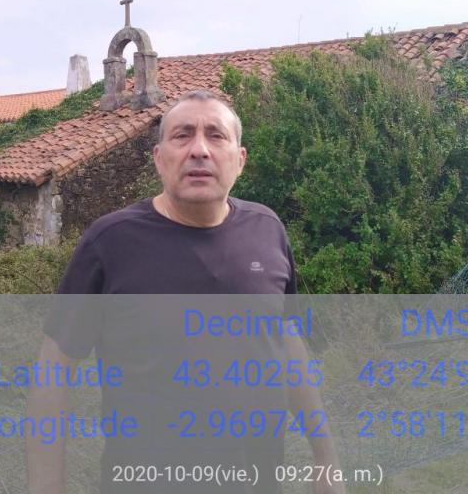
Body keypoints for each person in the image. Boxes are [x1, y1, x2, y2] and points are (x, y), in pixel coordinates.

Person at [26, 90, 345, 493]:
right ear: (159, 158)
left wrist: (326, 460)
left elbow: (286, 342)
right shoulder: (110, 242)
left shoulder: (268, 230)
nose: (199, 150)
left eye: (216, 135)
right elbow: (52, 377)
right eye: (182, 135)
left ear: (240, 159)